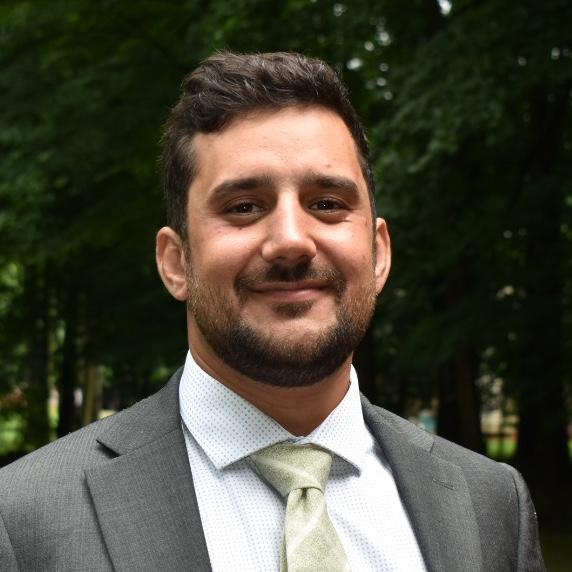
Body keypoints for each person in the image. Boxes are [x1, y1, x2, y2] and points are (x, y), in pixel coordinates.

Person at [0, 52, 545, 572]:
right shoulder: (23, 519)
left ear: (379, 254)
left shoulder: (491, 504)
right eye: (243, 207)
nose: (290, 240)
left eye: (327, 204)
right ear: (176, 262)